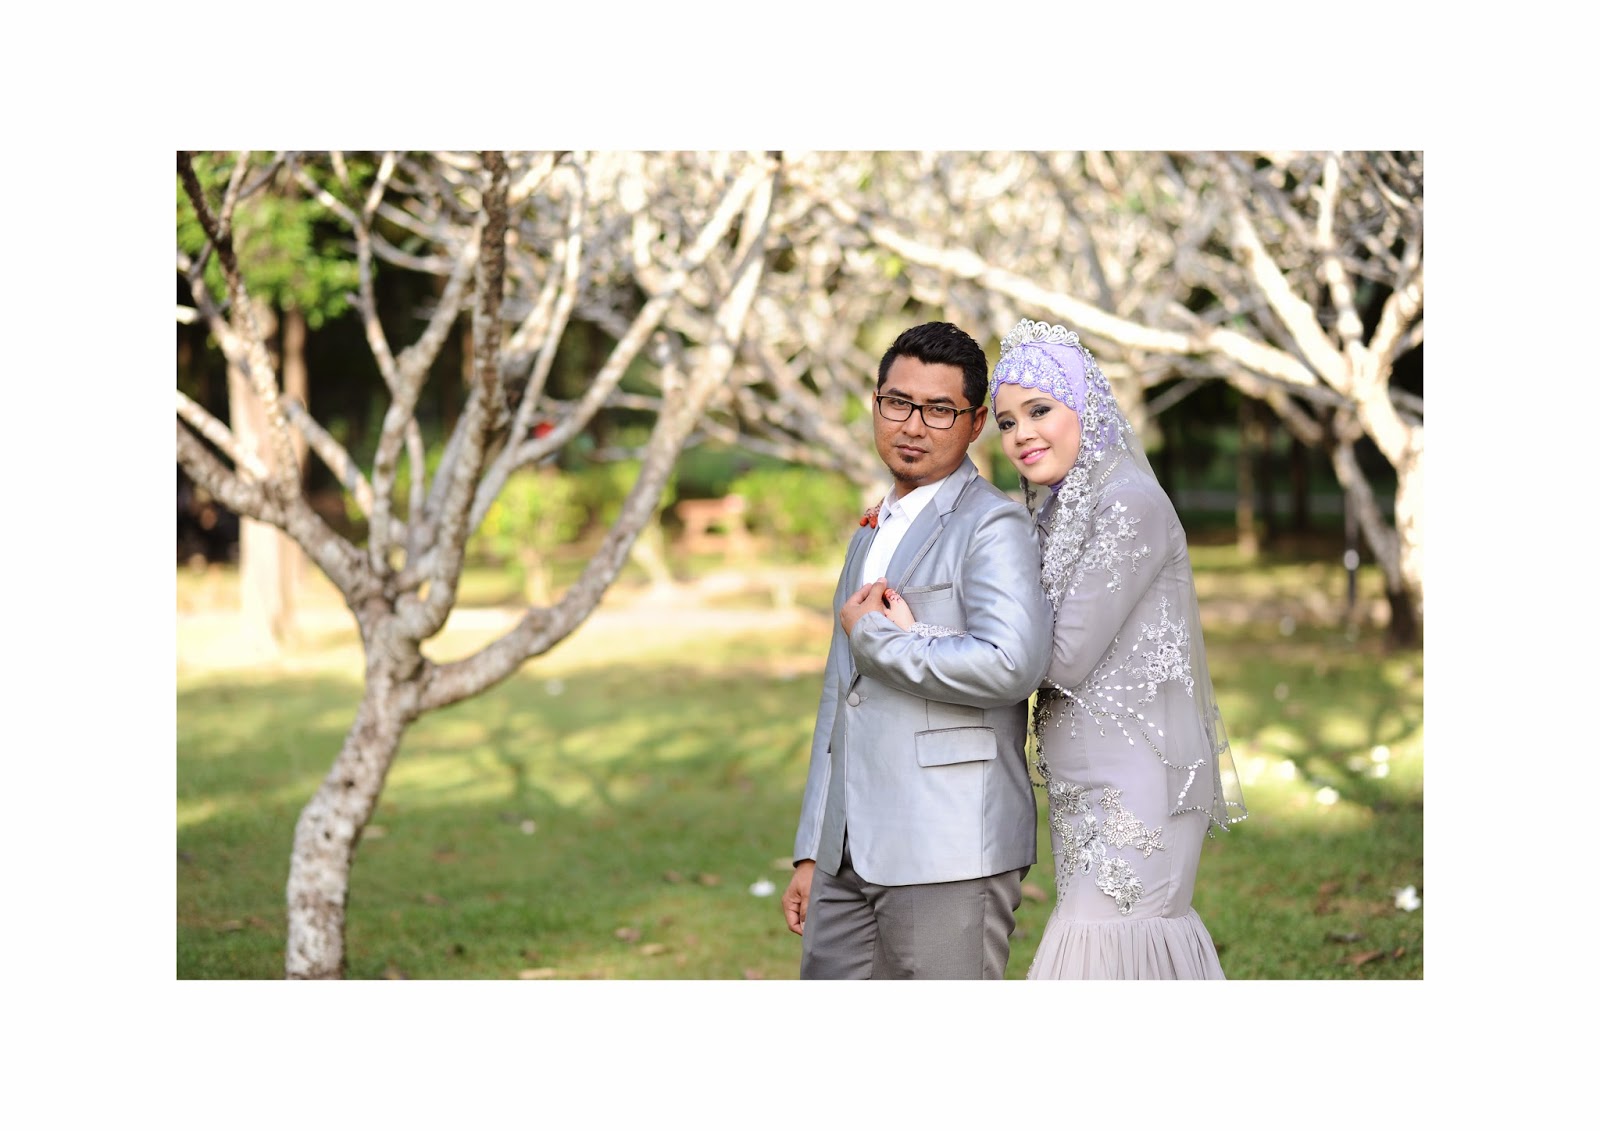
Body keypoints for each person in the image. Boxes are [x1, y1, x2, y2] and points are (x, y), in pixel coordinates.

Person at [881, 317, 1247, 978]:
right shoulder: (1057, 510)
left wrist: (921, 636)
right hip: (1082, 785)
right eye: (1007, 421)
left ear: (1086, 408)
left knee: (1110, 948)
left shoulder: (1128, 504)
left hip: (1136, 780)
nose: (1022, 433)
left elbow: (1061, 655)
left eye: (1040, 410)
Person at [781, 320, 1053, 979]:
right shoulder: (871, 528)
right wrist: (814, 846)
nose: (912, 425)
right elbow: (839, 697)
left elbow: (1012, 664)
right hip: (848, 851)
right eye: (897, 403)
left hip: (949, 844)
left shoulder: (993, 524)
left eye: (939, 410)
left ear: (976, 422)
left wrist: (877, 638)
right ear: (876, 403)